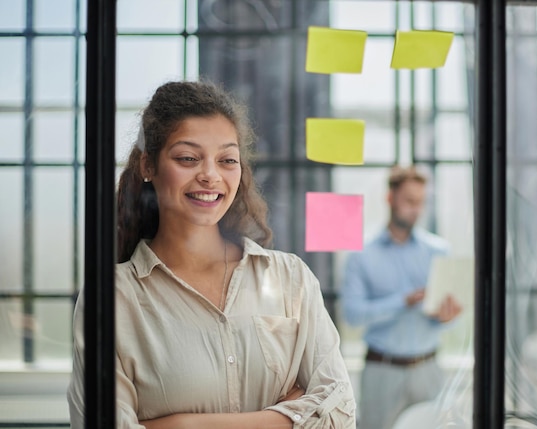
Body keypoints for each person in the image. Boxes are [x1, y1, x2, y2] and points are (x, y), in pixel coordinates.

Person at [67, 79, 356, 429]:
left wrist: (180, 425)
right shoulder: (113, 298)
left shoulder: (289, 277)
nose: (210, 175)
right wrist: (282, 419)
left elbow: (339, 413)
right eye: (188, 158)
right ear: (148, 166)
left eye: (227, 160)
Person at [340, 165, 462, 429]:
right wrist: (402, 301)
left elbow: (450, 320)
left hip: (428, 369)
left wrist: (447, 317)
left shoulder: (438, 251)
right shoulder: (362, 254)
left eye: (420, 202)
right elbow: (352, 315)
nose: (415, 209)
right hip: (382, 370)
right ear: (390, 198)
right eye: (409, 201)